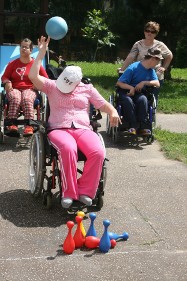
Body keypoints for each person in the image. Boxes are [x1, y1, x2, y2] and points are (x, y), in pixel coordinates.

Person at [29, 36, 120, 209]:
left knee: (98, 152)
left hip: (83, 129)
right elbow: (33, 76)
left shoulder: (87, 89)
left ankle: (85, 190)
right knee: (68, 148)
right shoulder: (52, 85)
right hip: (59, 129)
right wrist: (41, 53)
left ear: (78, 82)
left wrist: (113, 111)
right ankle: (69, 192)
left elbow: (103, 104)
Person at [1, 38, 48, 136]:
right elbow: (4, 76)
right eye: (22, 47)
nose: (23, 49)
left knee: (27, 98)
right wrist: (7, 81)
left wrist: (38, 83)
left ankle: (29, 125)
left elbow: (45, 78)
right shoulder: (13, 63)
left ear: (31, 50)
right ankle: (11, 125)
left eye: (26, 47)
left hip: (30, 88)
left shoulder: (36, 64)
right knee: (15, 97)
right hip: (15, 88)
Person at [118, 21, 173, 105]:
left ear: (156, 34)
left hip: (155, 76)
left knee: (152, 99)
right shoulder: (138, 44)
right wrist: (122, 70)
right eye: (147, 30)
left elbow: (169, 56)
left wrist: (164, 67)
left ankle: (151, 117)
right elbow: (130, 57)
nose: (149, 33)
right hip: (140, 74)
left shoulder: (160, 45)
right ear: (144, 31)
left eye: (152, 32)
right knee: (138, 98)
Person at [116, 48, 161, 136]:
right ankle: (132, 126)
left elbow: (157, 83)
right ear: (152, 59)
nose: (158, 63)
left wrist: (144, 82)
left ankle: (143, 127)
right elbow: (119, 83)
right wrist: (131, 88)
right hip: (126, 91)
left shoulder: (151, 70)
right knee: (128, 101)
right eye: (158, 61)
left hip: (139, 92)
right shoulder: (133, 67)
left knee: (143, 99)